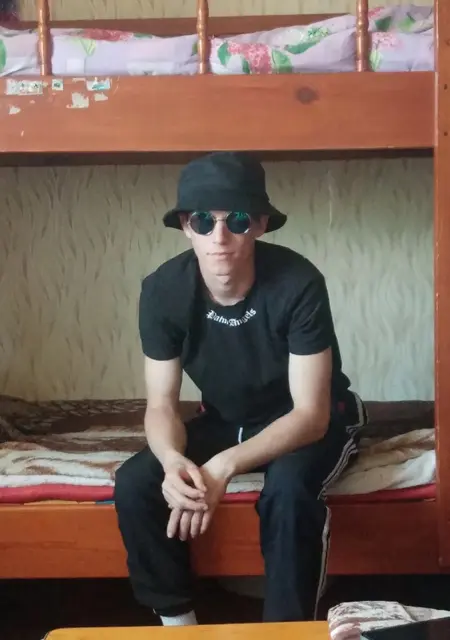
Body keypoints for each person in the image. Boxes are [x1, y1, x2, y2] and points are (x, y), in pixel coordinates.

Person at [114, 151, 366, 626]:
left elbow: (310, 415)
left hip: (309, 419)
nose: (220, 237)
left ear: (260, 225)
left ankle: (285, 634)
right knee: (135, 482)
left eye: (238, 220)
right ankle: (180, 627)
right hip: (228, 418)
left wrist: (223, 466)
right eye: (204, 221)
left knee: (288, 493)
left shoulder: (298, 283)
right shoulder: (163, 291)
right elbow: (161, 404)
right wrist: (172, 462)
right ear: (186, 226)